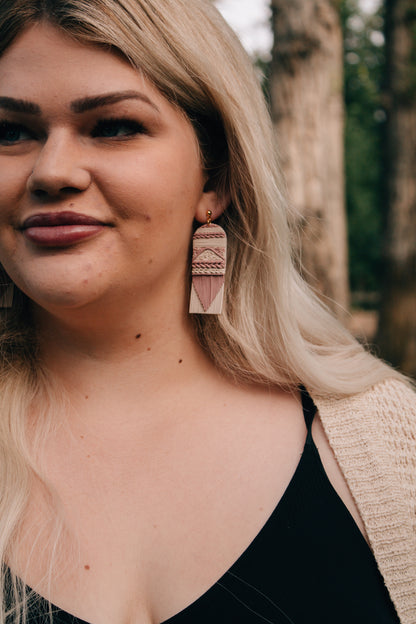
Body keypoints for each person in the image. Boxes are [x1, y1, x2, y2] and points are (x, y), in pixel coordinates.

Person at [0, 1, 414, 623]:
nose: (52, 171)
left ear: (214, 178)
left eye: (113, 126)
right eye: (10, 132)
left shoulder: (393, 449)